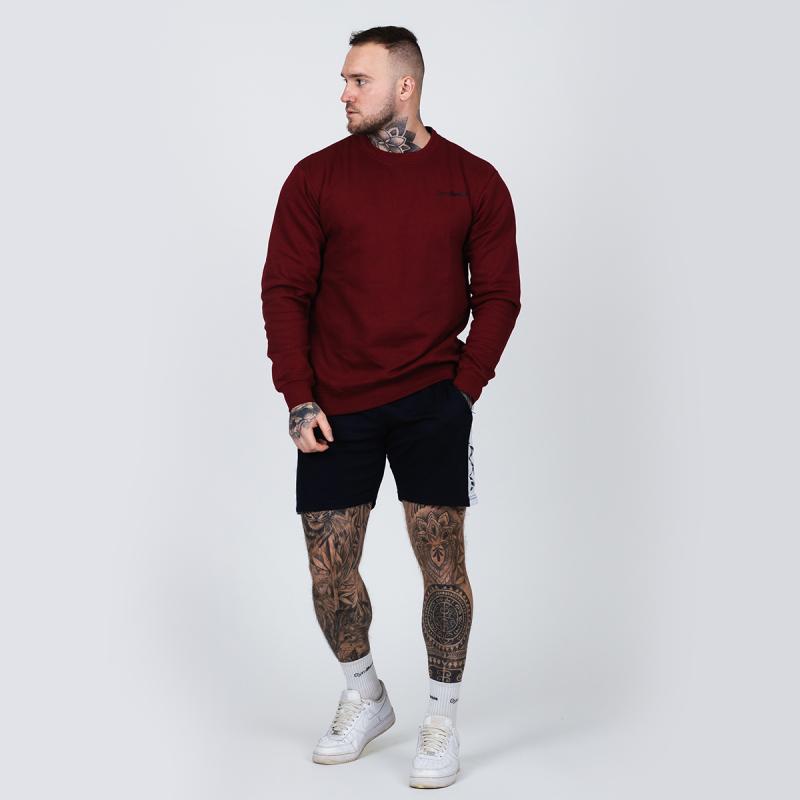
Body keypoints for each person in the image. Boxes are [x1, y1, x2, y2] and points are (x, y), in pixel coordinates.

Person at [260, 25, 521, 789]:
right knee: (329, 573)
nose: (343, 93)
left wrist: (463, 389)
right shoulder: (314, 178)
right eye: (345, 80)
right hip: (334, 405)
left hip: (432, 402)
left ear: (404, 86)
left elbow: (499, 295)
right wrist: (298, 395)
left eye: (358, 81)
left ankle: (441, 717)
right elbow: (284, 291)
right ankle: (365, 696)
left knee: (443, 566)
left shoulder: (474, 180)